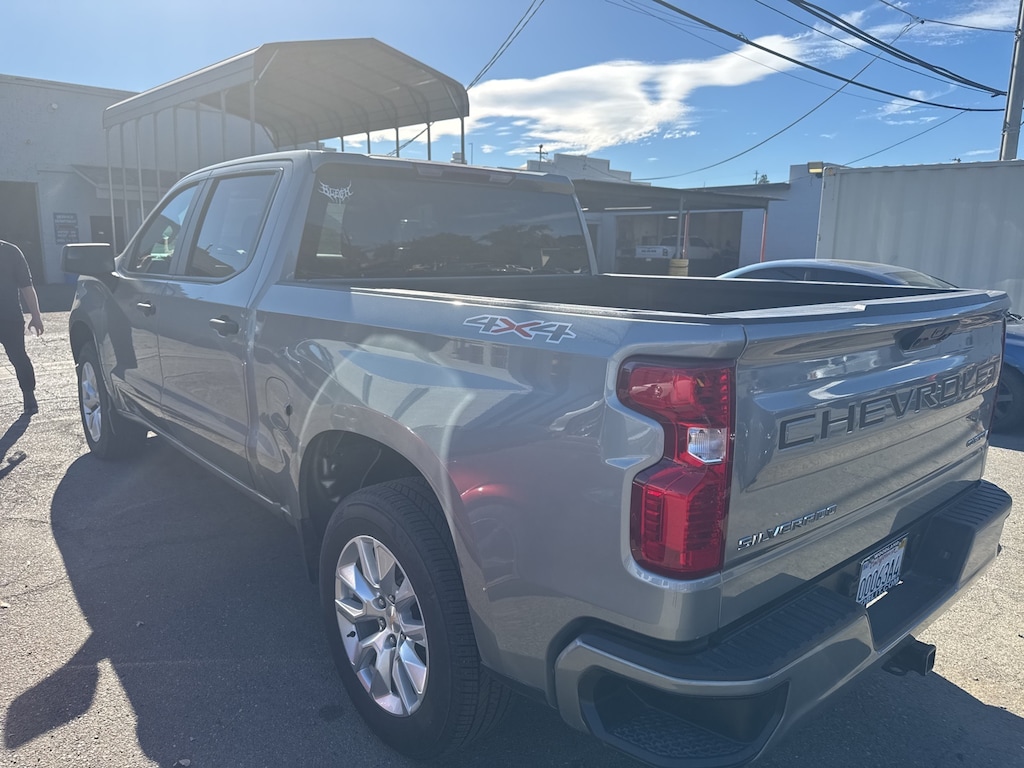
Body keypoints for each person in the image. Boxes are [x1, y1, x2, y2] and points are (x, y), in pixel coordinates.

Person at [0, 239, 44, 415]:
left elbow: (26, 285)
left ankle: (28, 394)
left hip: (9, 317)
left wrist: (36, 316)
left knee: (18, 357)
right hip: (10, 317)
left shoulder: (11, 252)